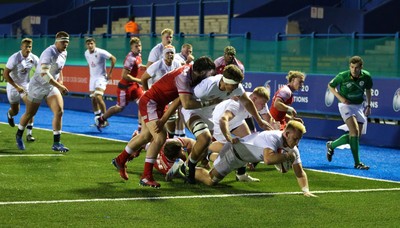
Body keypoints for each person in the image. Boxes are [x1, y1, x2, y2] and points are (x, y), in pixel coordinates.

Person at [111, 56, 220, 188]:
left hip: (158, 103)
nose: (211, 76)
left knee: (146, 136)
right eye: (210, 73)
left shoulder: (191, 75)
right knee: (161, 136)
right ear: (202, 72)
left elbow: (178, 101)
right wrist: (210, 102)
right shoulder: (184, 76)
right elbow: (186, 103)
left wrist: (163, 119)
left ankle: (120, 160)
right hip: (151, 102)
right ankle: (146, 176)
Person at [181, 65, 273, 184]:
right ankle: (189, 165)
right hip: (199, 113)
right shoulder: (207, 87)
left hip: (219, 115)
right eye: (234, 86)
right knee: (206, 142)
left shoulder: (237, 88)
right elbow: (186, 102)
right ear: (226, 81)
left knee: (246, 142)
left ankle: (241, 174)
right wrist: (228, 136)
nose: (236, 88)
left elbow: (247, 101)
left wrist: (260, 122)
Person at [192, 120, 317, 197]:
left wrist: (305, 190)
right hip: (234, 153)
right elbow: (268, 159)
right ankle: (187, 169)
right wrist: (285, 156)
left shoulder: (292, 149)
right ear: (287, 133)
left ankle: (206, 155)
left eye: (299, 139)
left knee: (216, 168)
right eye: (295, 138)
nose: (297, 142)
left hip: (243, 158)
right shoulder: (274, 137)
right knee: (210, 180)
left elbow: (300, 173)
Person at [15, 31, 70, 152]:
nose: (65, 44)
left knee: (59, 111)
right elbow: (44, 74)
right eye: (63, 42)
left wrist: (60, 80)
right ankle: (19, 135)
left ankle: (56, 143)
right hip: (38, 86)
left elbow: (58, 68)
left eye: (67, 42)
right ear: (57, 41)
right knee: (30, 114)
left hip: (50, 86)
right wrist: (60, 86)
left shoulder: (64, 52)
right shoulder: (49, 52)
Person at [326, 56, 372, 170]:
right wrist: (340, 98)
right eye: (352, 67)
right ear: (349, 67)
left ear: (361, 67)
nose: (354, 70)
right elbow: (330, 85)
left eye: (356, 67)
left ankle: (331, 145)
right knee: (355, 131)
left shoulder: (366, 76)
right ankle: (357, 163)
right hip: (345, 105)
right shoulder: (343, 76)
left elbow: (368, 89)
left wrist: (369, 105)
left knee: (355, 136)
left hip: (359, 106)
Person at [95, 37, 144, 131]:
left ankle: (140, 129)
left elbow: (139, 66)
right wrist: (139, 81)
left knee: (143, 102)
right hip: (125, 88)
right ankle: (101, 119)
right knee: (119, 108)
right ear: (131, 48)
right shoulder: (130, 58)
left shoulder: (138, 55)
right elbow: (124, 76)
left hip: (134, 86)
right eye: (136, 46)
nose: (139, 48)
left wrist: (149, 67)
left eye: (140, 46)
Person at [4, 38, 39, 142]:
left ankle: (29, 134)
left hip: (25, 85)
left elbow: (41, 70)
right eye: (26, 47)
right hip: (13, 86)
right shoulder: (14, 58)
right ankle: (10, 114)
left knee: (31, 107)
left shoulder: (34, 58)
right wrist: (16, 87)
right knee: (15, 110)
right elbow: (5, 74)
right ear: (21, 47)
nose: (28, 49)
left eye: (30, 47)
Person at [84, 37, 116, 124]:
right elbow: (90, 64)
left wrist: (110, 73)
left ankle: (105, 119)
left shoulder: (101, 52)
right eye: (88, 44)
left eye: (91, 43)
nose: (90, 45)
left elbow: (113, 58)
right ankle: (98, 119)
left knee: (98, 97)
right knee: (93, 99)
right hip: (92, 78)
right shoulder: (86, 53)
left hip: (101, 77)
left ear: (95, 44)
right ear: (86, 45)